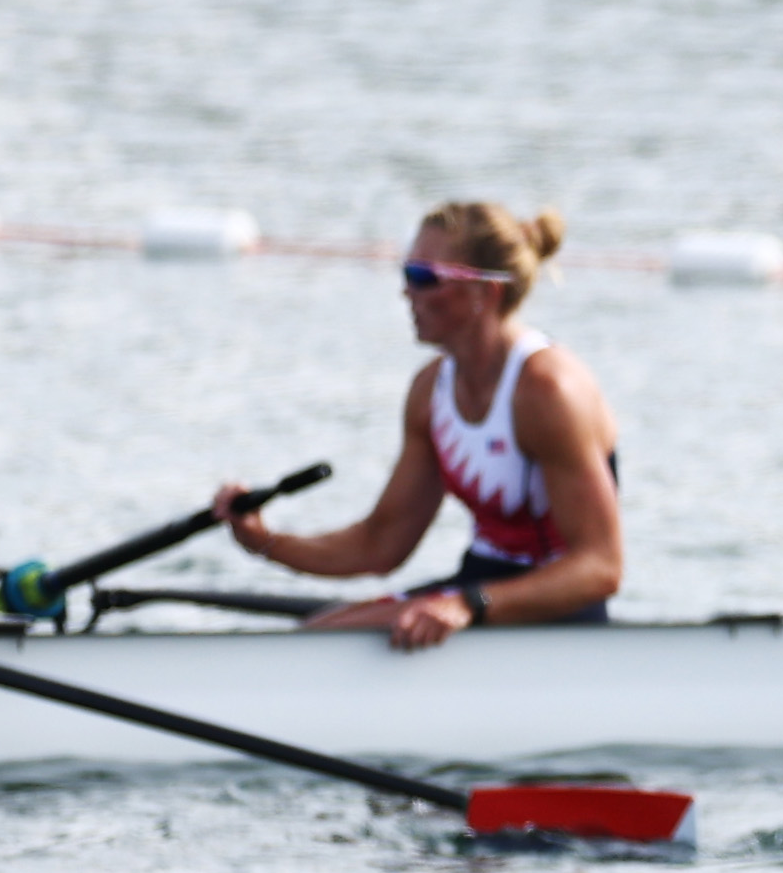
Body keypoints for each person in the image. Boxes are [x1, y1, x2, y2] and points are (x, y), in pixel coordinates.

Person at [218, 201, 625, 646]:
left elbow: (600, 567)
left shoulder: (548, 391)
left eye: (423, 277)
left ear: (483, 294)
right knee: (321, 639)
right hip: (480, 585)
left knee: (323, 641)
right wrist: (263, 541)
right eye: (405, 272)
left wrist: (466, 605)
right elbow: (381, 544)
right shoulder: (430, 392)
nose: (405, 293)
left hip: (561, 610)